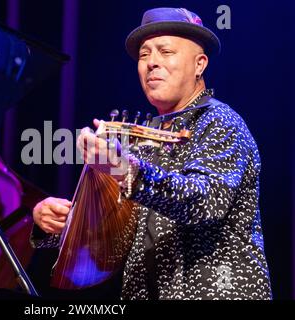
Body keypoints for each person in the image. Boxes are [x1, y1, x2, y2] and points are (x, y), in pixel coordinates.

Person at [30, 7, 272, 300]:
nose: (151, 63)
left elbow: (203, 202)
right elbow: (114, 237)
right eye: (144, 55)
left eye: (165, 51)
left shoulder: (221, 122)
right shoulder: (143, 141)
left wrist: (122, 169)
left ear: (200, 64)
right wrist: (57, 224)